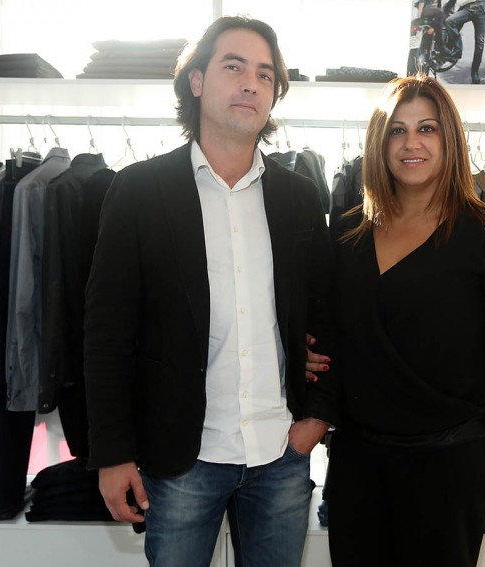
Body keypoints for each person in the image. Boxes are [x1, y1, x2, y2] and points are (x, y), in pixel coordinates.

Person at [83, 16, 339, 567]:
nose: (251, 84)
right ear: (196, 81)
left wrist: (316, 420)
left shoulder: (298, 197)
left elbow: (329, 314)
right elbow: (106, 334)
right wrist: (113, 454)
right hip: (181, 460)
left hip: (280, 454)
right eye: (234, 67)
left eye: (265, 75)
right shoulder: (138, 191)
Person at [307, 75, 485, 567]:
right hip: (358, 463)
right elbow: (327, 329)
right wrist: (307, 357)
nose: (411, 143)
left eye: (427, 128)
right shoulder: (347, 232)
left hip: (451, 464)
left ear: (449, 139)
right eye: (397, 130)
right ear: (379, 142)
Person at [443, 0, 485, 83]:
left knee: (479, 41)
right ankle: (457, 52)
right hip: (467, 7)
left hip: (482, 6)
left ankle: (475, 71)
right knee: (450, 21)